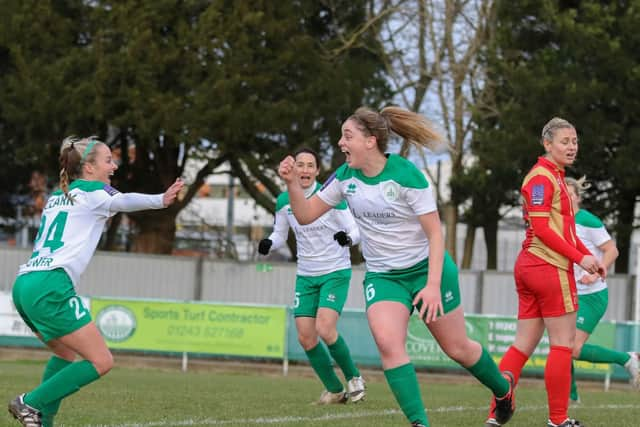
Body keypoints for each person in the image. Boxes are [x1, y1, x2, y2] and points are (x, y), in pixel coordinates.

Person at [278, 107, 515, 427]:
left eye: (347, 136)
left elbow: (435, 234)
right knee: (388, 343)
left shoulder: (407, 176)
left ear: (370, 141)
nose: (340, 143)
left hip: (427, 269)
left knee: (457, 349)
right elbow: (305, 215)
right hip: (385, 277)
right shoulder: (344, 178)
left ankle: (503, 392)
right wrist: (293, 183)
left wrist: (431, 286)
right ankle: (420, 423)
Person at [8, 136, 183, 427]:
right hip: (50, 284)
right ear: (88, 168)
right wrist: (160, 200)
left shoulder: (58, 195)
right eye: (108, 160)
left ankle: (42, 422)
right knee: (101, 361)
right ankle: (30, 403)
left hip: (25, 283)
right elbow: (123, 200)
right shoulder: (94, 191)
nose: (113, 166)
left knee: (64, 354)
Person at [483, 118, 606, 427]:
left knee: (522, 346)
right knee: (563, 344)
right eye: (565, 141)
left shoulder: (555, 177)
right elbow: (540, 228)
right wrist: (580, 258)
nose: (572, 146)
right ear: (547, 144)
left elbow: (562, 229)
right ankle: (558, 419)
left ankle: (494, 417)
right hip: (547, 267)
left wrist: (587, 255)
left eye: (575, 141)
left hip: (531, 267)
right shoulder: (542, 177)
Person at [259, 147, 366, 404]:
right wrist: (268, 243)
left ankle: (354, 379)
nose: (304, 170)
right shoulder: (284, 201)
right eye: (300, 165)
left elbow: (355, 230)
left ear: (317, 171)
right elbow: (279, 234)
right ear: (293, 169)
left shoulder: (330, 197)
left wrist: (347, 238)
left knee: (325, 328)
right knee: (306, 338)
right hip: (306, 275)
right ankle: (334, 389)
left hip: (334, 272)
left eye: (310, 165)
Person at [565, 176, 639, 402]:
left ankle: (627, 359)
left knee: (573, 349)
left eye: (569, 194)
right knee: (562, 347)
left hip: (592, 295)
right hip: (569, 294)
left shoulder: (587, 220)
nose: (565, 198)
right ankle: (571, 396)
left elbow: (612, 251)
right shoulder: (557, 223)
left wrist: (597, 271)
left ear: (577, 197)